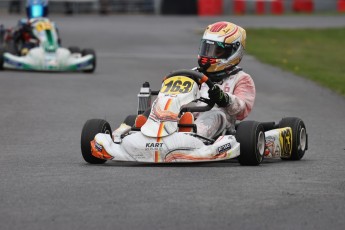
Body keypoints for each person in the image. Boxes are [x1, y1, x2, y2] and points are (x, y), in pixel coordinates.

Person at [193, 21, 256, 139]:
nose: (209, 55)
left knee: (214, 114)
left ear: (233, 51)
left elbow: (242, 110)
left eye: (217, 51)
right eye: (207, 49)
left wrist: (224, 98)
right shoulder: (193, 74)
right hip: (187, 119)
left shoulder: (241, 79)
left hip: (220, 127)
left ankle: (192, 139)